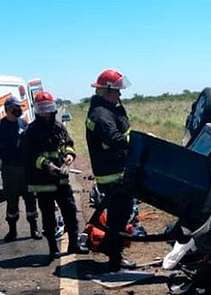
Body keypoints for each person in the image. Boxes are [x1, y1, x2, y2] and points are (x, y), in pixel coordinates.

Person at [85, 69, 136, 271]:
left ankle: (111, 248)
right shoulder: (101, 115)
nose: (119, 94)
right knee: (118, 218)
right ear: (106, 91)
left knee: (121, 215)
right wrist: (136, 142)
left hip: (116, 171)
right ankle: (115, 259)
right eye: (116, 91)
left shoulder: (107, 110)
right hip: (112, 175)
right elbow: (115, 139)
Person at [22, 91, 83, 259]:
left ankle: (74, 244)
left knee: (70, 211)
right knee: (48, 215)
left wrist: (69, 155)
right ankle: (53, 248)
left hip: (61, 179)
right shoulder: (30, 131)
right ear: (36, 110)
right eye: (41, 108)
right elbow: (29, 155)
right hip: (43, 181)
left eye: (47, 108)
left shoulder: (59, 127)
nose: (45, 112)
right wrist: (45, 164)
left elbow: (68, 144)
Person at [0, 96, 42, 242]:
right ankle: (12, 231)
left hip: (26, 168)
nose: (19, 110)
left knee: (30, 198)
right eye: (15, 107)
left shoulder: (23, 123)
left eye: (19, 107)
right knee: (11, 200)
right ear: (8, 109)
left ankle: (34, 228)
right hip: (10, 169)